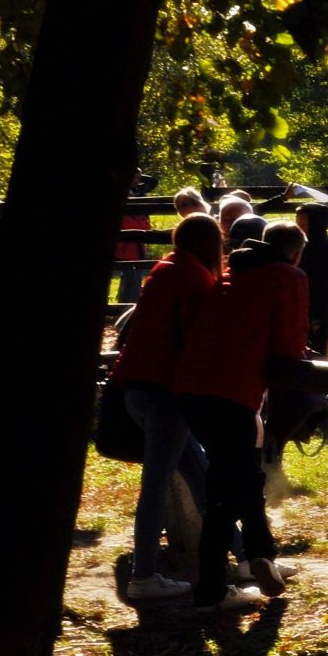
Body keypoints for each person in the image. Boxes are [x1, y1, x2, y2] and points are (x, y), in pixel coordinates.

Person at [173, 220, 309, 611]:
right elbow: (290, 342)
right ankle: (211, 590)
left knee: (243, 474)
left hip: (191, 388)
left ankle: (259, 554)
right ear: (296, 251)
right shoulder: (289, 277)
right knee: (223, 492)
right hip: (232, 392)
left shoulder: (234, 272)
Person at [110, 213, 226, 601]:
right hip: (165, 394)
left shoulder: (165, 267)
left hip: (139, 387)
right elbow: (199, 339)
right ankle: (144, 576)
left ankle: (246, 555)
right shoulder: (194, 277)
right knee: (157, 486)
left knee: (203, 475)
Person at [296, 202, 328, 358]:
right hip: (310, 307)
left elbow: (322, 286)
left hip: (317, 309)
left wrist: (316, 316)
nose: (299, 228)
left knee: (317, 352)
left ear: (315, 223)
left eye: (302, 224)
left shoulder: (324, 248)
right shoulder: (310, 244)